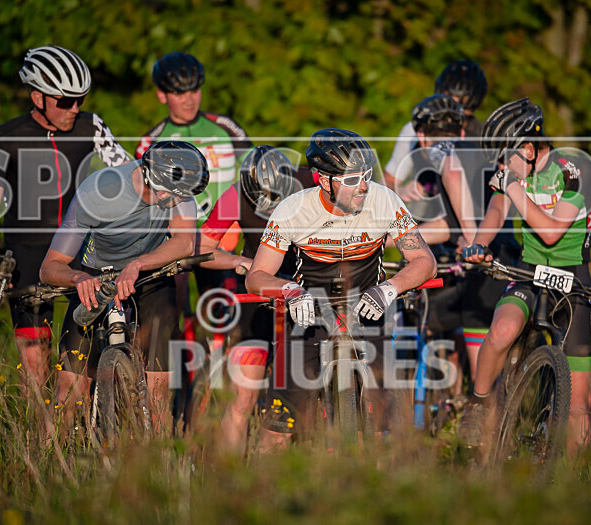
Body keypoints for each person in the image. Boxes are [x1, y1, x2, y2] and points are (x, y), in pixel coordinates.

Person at [246, 129, 437, 448]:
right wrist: (289, 290)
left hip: (368, 312)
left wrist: (390, 287)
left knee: (376, 432)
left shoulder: (383, 199)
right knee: (277, 435)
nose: (362, 186)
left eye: (366, 175)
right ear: (323, 180)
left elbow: (424, 261)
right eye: (351, 179)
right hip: (308, 318)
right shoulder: (294, 209)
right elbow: (257, 276)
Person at [0, 45, 129, 402]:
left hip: (76, 252)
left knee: (73, 380)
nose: (75, 108)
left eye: (81, 99)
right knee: (35, 370)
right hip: (26, 256)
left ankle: (76, 443)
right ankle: (40, 452)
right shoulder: (5, 138)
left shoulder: (91, 126)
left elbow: (129, 176)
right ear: (38, 97)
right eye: (65, 101)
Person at [459, 98, 591, 456]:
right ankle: (478, 402)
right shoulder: (511, 174)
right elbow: (496, 209)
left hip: (573, 279)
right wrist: (480, 243)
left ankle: (569, 478)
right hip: (529, 272)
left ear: (530, 148)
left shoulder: (577, 169)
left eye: (506, 157)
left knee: (578, 402)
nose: (502, 167)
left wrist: (515, 189)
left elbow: (552, 232)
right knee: (502, 331)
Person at [39, 141, 206, 433]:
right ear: (154, 182)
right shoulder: (99, 192)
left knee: (157, 393)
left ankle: (159, 465)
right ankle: (49, 461)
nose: (181, 203)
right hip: (94, 275)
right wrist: (79, 278)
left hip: (148, 272)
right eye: (175, 197)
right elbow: (50, 266)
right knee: (70, 390)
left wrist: (139, 263)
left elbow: (184, 242)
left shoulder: (179, 188)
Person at [197, 145, 315, 453]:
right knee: (242, 397)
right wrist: (240, 261)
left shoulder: (311, 182)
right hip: (256, 294)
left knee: (293, 397)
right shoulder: (235, 195)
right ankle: (229, 475)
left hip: (304, 292)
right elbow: (200, 250)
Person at [408, 94, 521, 397]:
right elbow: (448, 227)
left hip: (485, 259)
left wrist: (471, 237)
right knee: (488, 364)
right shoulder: (476, 150)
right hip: (507, 251)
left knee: (484, 381)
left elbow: (452, 173)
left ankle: (484, 435)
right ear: (460, 129)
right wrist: (401, 237)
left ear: (421, 133)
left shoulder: (439, 151)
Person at [135, 51, 254, 336]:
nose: (189, 99)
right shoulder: (153, 138)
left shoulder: (226, 128)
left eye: (194, 90)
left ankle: (220, 373)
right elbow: (142, 197)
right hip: (177, 236)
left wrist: (238, 224)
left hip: (223, 236)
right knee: (172, 313)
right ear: (162, 95)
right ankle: (184, 375)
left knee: (225, 314)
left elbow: (253, 177)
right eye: (179, 92)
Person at [384, 59, 488, 201]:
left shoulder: (485, 138)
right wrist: (400, 191)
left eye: (459, 105)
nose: (450, 111)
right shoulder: (413, 130)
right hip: (426, 217)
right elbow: (387, 181)